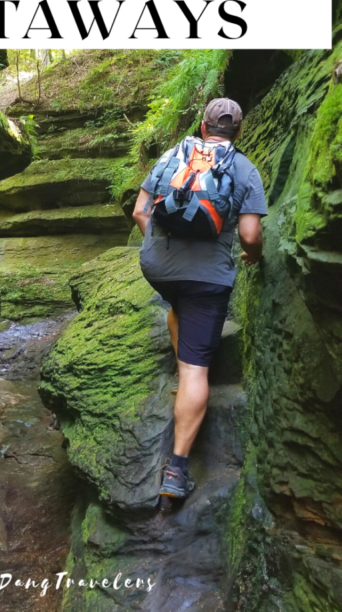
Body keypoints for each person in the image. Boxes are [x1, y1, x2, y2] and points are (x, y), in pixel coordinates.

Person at [132, 98, 267, 500]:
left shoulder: (174, 155)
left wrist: (160, 250)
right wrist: (254, 257)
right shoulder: (244, 169)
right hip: (207, 279)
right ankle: (176, 472)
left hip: (157, 267)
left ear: (203, 126)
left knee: (178, 307)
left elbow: (141, 211)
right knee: (196, 370)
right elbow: (249, 236)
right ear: (238, 132)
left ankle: (183, 378)